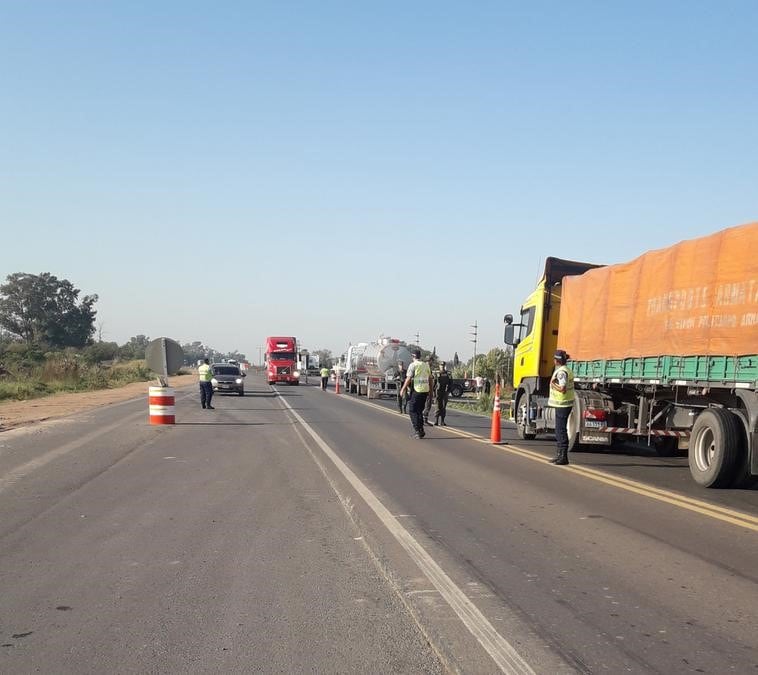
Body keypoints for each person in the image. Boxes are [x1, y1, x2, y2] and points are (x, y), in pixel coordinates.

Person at [548, 349, 575, 465]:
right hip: (564, 404)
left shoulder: (561, 372)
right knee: (560, 430)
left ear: (556, 361)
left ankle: (563, 457)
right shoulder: (566, 369)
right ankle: (559, 455)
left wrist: (553, 384)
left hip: (562, 404)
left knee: (560, 430)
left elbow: (562, 389)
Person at [399, 349, 432, 439]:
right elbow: (430, 379)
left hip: (417, 390)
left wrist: (402, 389)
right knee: (419, 411)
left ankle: (417, 431)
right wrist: (431, 391)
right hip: (425, 390)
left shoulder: (413, 365)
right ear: (420, 356)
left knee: (412, 410)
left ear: (413, 357)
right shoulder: (426, 365)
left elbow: (408, 379)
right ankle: (421, 431)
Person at [433, 361, 452, 426]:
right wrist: (433, 393)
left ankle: (442, 421)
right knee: (438, 406)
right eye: (441, 365)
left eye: (443, 365)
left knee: (443, 406)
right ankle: (436, 421)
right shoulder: (436, 373)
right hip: (438, 391)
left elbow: (451, 383)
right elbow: (434, 383)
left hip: (445, 392)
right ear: (439, 366)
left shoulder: (448, 373)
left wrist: (449, 390)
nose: (442, 366)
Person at [423, 356, 436, 426]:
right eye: (431, 361)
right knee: (428, 404)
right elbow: (429, 379)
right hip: (427, 388)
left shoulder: (423, 367)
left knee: (426, 404)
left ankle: (424, 419)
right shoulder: (427, 368)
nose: (432, 363)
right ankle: (424, 419)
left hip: (423, 388)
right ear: (429, 361)